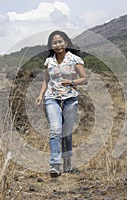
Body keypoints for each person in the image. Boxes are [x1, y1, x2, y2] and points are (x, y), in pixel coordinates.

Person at [36, 30, 87, 177]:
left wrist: (71, 82)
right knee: (55, 129)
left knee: (66, 133)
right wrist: (40, 95)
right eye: (54, 43)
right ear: (50, 46)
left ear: (65, 43)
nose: (57, 45)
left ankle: (67, 162)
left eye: (60, 42)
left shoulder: (74, 59)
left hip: (70, 99)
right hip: (52, 98)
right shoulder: (49, 61)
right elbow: (46, 80)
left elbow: (84, 78)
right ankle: (54, 165)